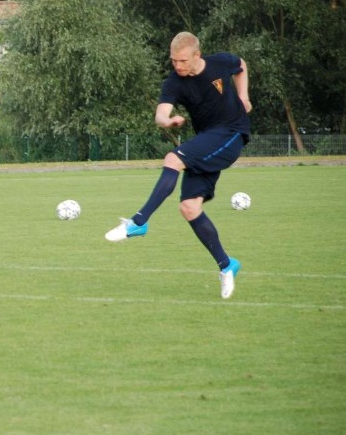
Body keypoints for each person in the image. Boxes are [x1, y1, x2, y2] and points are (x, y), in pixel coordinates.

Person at [104, 31, 252, 299]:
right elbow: (161, 113)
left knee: (173, 158)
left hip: (232, 132)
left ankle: (138, 222)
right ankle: (227, 265)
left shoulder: (219, 63)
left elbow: (241, 64)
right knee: (189, 208)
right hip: (208, 139)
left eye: (183, 61)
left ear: (197, 55)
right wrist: (167, 120)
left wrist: (244, 96)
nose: (177, 66)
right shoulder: (174, 82)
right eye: (173, 61)